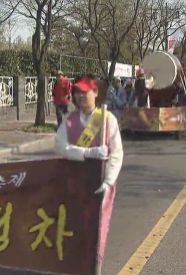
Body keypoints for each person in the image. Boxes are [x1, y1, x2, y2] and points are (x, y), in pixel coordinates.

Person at [54, 76, 123, 264]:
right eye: (77, 92)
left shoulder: (108, 120)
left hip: (99, 185)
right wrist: (86, 153)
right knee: (74, 226)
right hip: (75, 183)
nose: (80, 96)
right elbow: (60, 146)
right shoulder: (69, 120)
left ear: (95, 93)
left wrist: (109, 181)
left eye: (85, 92)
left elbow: (117, 154)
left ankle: (93, 265)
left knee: (96, 229)